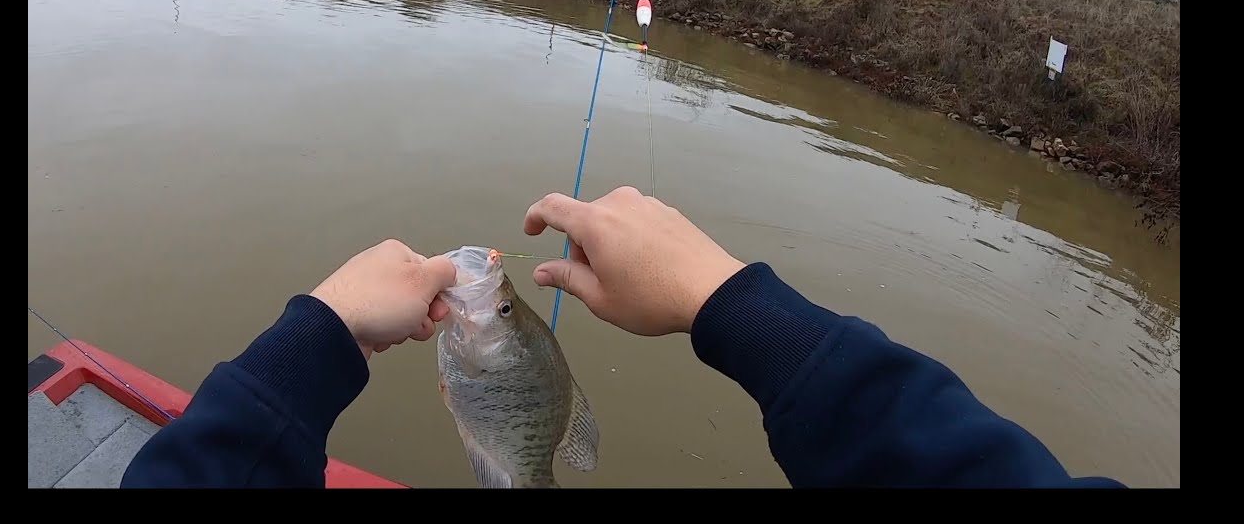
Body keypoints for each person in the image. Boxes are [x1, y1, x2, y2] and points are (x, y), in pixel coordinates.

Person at [120, 186, 1125, 488]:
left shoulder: (463, 340)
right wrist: (723, 296)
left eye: (501, 302)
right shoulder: (478, 342)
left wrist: (320, 334)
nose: (490, 295)